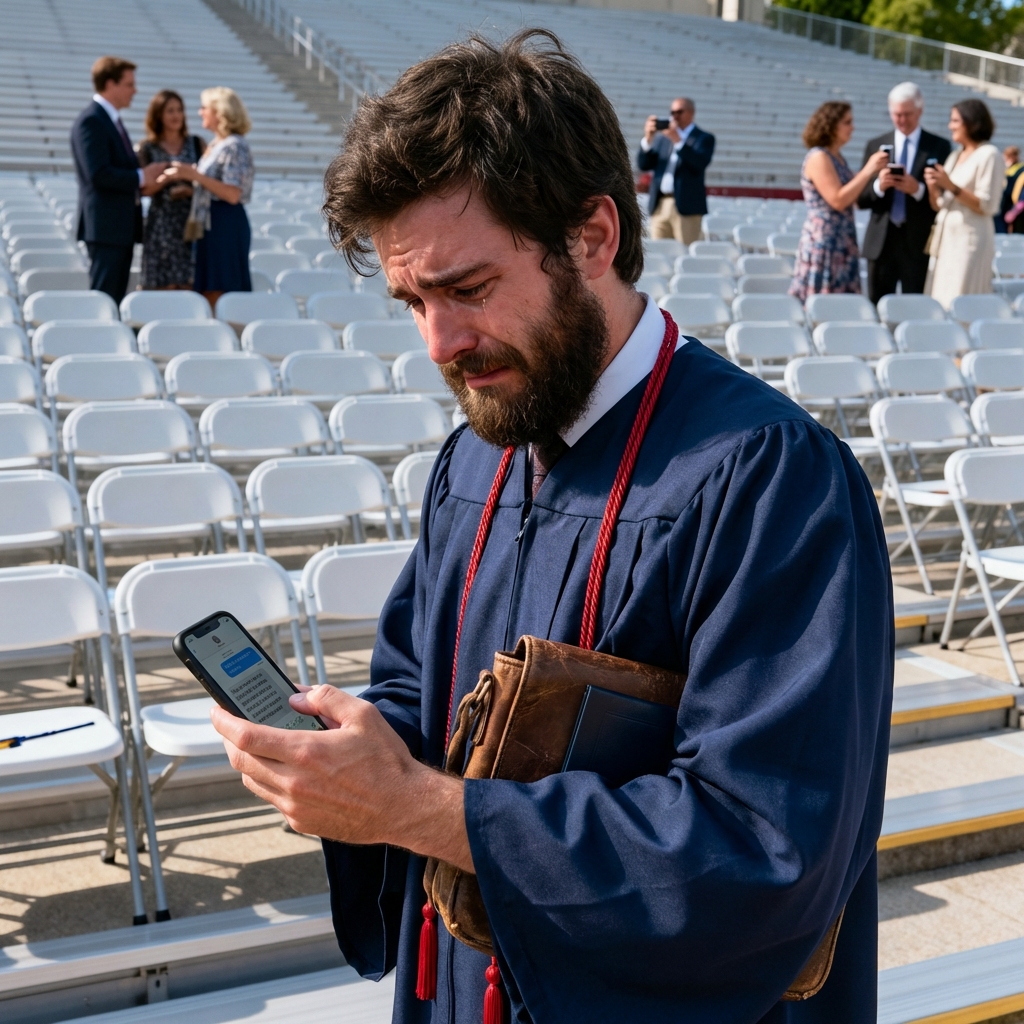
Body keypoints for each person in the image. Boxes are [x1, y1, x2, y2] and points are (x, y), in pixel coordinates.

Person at [211, 29, 892, 1024]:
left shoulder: (767, 478)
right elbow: (420, 685)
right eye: (412, 301)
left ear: (592, 236)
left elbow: (764, 847)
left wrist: (421, 807)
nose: (439, 343)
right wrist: (352, 751)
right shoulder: (478, 453)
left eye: (468, 288)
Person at [70, 56, 167, 303]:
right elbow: (98, 174)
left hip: (118, 227)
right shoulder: (92, 121)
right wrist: (140, 176)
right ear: (110, 84)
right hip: (106, 228)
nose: (135, 91)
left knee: (114, 297)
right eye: (129, 84)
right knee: (104, 298)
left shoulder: (110, 120)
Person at [158, 86, 253, 309]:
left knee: (220, 288)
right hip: (213, 222)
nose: (200, 112)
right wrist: (191, 185)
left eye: (205, 108)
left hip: (224, 223)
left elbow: (232, 193)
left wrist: (193, 175)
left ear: (219, 112)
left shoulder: (234, 145)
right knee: (209, 288)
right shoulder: (217, 144)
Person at [857, 82, 952, 304]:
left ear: (920, 111)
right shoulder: (876, 145)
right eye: (896, 114)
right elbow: (861, 199)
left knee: (915, 305)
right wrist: (879, 186)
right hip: (881, 243)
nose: (901, 120)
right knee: (876, 305)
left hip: (917, 242)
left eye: (907, 114)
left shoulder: (938, 146)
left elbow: (942, 198)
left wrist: (917, 189)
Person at [790, 102, 888, 302]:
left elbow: (853, 198)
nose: (852, 128)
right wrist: (868, 170)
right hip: (826, 240)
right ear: (831, 124)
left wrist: (878, 183)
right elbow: (837, 200)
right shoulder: (819, 157)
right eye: (847, 122)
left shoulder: (837, 158)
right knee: (823, 301)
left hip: (843, 239)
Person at [924, 99, 1004, 309]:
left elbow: (988, 205)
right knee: (940, 301)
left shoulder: (990, 154)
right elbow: (940, 204)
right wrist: (934, 186)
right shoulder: (955, 155)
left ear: (972, 122)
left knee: (961, 302)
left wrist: (950, 185)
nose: (950, 126)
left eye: (955, 120)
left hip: (969, 242)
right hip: (946, 242)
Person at [137, 90, 206, 290]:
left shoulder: (196, 143)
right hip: (161, 224)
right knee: (161, 284)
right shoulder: (147, 148)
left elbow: (209, 182)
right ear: (158, 115)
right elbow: (144, 189)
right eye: (170, 111)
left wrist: (189, 187)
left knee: (189, 283)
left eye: (179, 110)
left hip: (190, 222)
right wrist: (168, 178)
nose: (176, 115)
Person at [637, 98, 715, 246]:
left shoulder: (703, 138)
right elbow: (644, 164)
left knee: (685, 251)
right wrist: (648, 138)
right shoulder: (663, 139)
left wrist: (678, 140)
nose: (675, 116)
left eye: (679, 112)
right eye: (672, 112)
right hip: (660, 204)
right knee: (659, 251)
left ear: (691, 113)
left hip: (686, 206)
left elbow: (698, 164)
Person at [998, 145, 1024, 234]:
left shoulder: (1020, 170)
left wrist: (1014, 211)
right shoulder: (1009, 169)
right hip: (1010, 206)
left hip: (1018, 209)